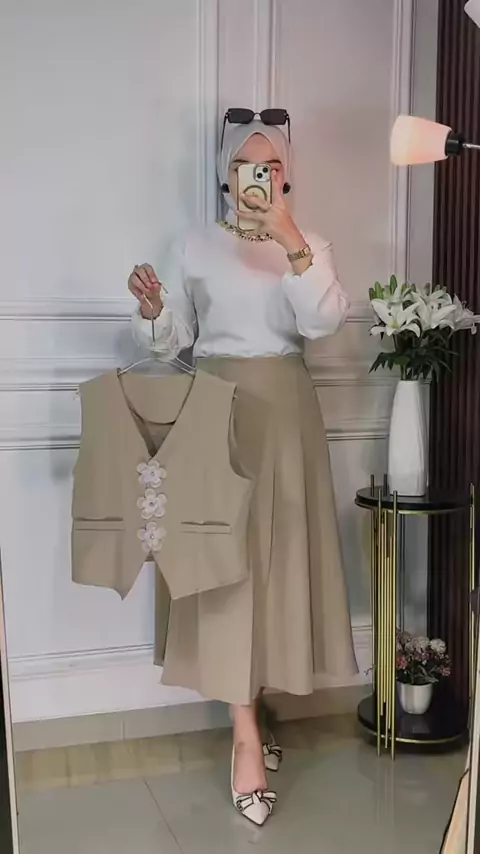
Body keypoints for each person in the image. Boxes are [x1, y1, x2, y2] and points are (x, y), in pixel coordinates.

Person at [128, 111, 357, 826]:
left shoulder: (309, 242)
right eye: (242, 167)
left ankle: (257, 706)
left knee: (276, 563)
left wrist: (289, 239)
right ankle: (246, 736)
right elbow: (174, 342)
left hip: (285, 415)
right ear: (226, 178)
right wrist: (155, 310)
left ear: (285, 176)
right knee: (225, 569)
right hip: (214, 407)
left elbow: (322, 323)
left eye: (269, 166)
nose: (255, 177)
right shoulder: (196, 243)